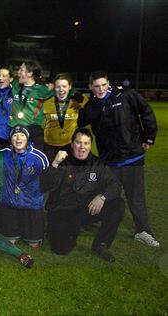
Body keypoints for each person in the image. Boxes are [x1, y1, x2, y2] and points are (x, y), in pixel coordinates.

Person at [78, 71, 159, 247]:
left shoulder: (126, 95)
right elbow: (77, 122)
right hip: (108, 161)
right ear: (91, 87)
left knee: (135, 197)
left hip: (132, 158)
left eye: (103, 85)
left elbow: (146, 111)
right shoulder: (91, 106)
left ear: (108, 83)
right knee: (105, 194)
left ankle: (143, 231)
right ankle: (89, 222)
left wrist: (149, 137)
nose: (100, 89)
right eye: (96, 86)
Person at [42, 128, 125, 262]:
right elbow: (46, 186)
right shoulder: (61, 160)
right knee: (60, 249)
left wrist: (102, 197)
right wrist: (55, 164)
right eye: (78, 143)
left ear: (90, 145)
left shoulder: (97, 164)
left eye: (86, 143)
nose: (82, 147)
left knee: (117, 204)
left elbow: (115, 184)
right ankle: (56, 231)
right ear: (72, 144)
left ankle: (101, 244)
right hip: (63, 209)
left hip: (87, 208)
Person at [0, 126, 49, 247]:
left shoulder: (39, 157)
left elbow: (47, 180)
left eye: (22, 135)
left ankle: (34, 234)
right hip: (9, 202)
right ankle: (14, 232)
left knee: (34, 244)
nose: (18, 138)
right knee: (10, 242)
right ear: (11, 139)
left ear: (27, 138)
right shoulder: (3, 154)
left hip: (31, 204)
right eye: (15, 135)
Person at [8, 62, 53, 151]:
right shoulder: (16, 85)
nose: (18, 72)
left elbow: (62, 90)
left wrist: (75, 94)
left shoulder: (42, 90)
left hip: (33, 130)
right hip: (16, 128)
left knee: (34, 158)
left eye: (21, 70)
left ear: (30, 73)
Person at [43, 73, 88, 161]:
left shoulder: (76, 102)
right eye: (58, 87)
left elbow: (91, 104)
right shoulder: (46, 102)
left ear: (70, 87)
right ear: (54, 88)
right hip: (50, 146)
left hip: (70, 145)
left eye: (64, 86)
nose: (61, 90)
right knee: (52, 172)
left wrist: (77, 94)